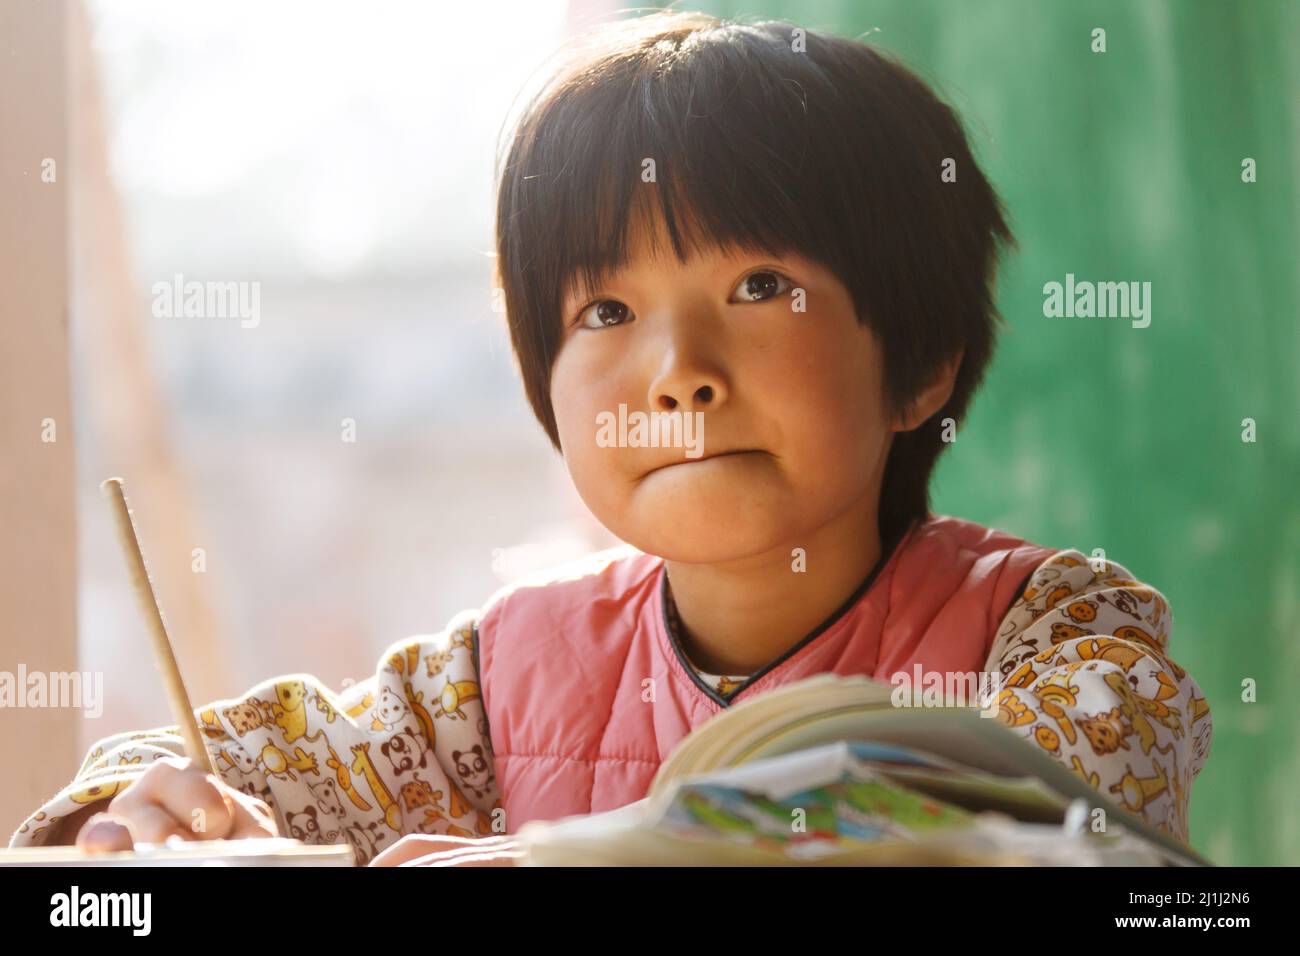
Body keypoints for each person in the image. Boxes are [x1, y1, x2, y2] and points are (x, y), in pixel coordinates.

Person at [9, 11, 1211, 866]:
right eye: (605, 311)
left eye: (756, 288)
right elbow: (223, 760)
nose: (678, 371)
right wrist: (139, 821)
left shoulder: (1055, 636)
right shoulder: (499, 677)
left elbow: (1017, 816)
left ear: (919, 366)